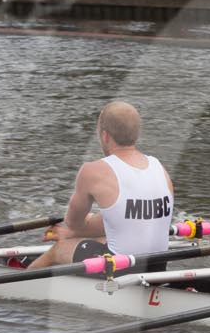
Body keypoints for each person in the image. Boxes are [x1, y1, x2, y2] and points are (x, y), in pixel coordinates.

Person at [30, 102, 175, 270]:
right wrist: (74, 232)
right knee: (97, 240)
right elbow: (128, 219)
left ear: (105, 136)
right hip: (157, 265)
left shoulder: (92, 171)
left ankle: (17, 286)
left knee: (58, 250)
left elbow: (73, 222)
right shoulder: (159, 167)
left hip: (118, 269)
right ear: (136, 135)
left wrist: (72, 231)